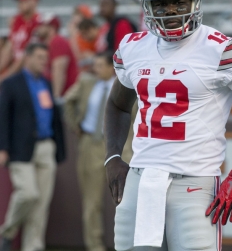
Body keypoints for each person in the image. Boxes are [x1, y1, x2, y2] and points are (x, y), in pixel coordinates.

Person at [104, 0, 232, 251]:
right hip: (140, 181)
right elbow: (117, 105)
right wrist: (112, 157)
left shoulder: (219, 48)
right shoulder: (133, 48)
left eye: (180, 1)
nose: (172, 11)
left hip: (194, 185)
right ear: (147, 7)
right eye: (161, 4)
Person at [64, 52, 133, 251]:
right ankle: (94, 246)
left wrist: (130, 141)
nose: (96, 69)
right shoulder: (86, 83)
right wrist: (76, 126)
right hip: (91, 145)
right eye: (94, 65)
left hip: (120, 148)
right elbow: (68, 100)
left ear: (112, 67)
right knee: (91, 202)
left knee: (124, 200)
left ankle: (126, 245)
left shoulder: (126, 85)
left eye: (100, 65)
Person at [0, 43, 65, 251]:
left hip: (46, 146)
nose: (43, 62)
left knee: (41, 204)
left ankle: (33, 246)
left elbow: (53, 116)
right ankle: (7, 232)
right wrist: (3, 148)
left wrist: (58, 148)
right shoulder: (11, 83)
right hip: (21, 148)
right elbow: (2, 117)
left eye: (45, 58)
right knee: (28, 193)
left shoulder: (46, 83)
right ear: (27, 58)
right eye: (38, 57)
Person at [0, 0, 40, 83]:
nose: (20, 4)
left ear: (33, 1)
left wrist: (5, 77)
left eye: (24, 0)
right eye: (19, 1)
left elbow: (26, 55)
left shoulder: (38, 22)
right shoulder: (17, 20)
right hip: (16, 69)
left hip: (28, 71)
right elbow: (9, 48)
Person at [34, 13, 78, 100]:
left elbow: (59, 72)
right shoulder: (48, 43)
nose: (38, 28)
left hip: (64, 94)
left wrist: (56, 97)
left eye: (42, 25)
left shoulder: (57, 41)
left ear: (51, 28)